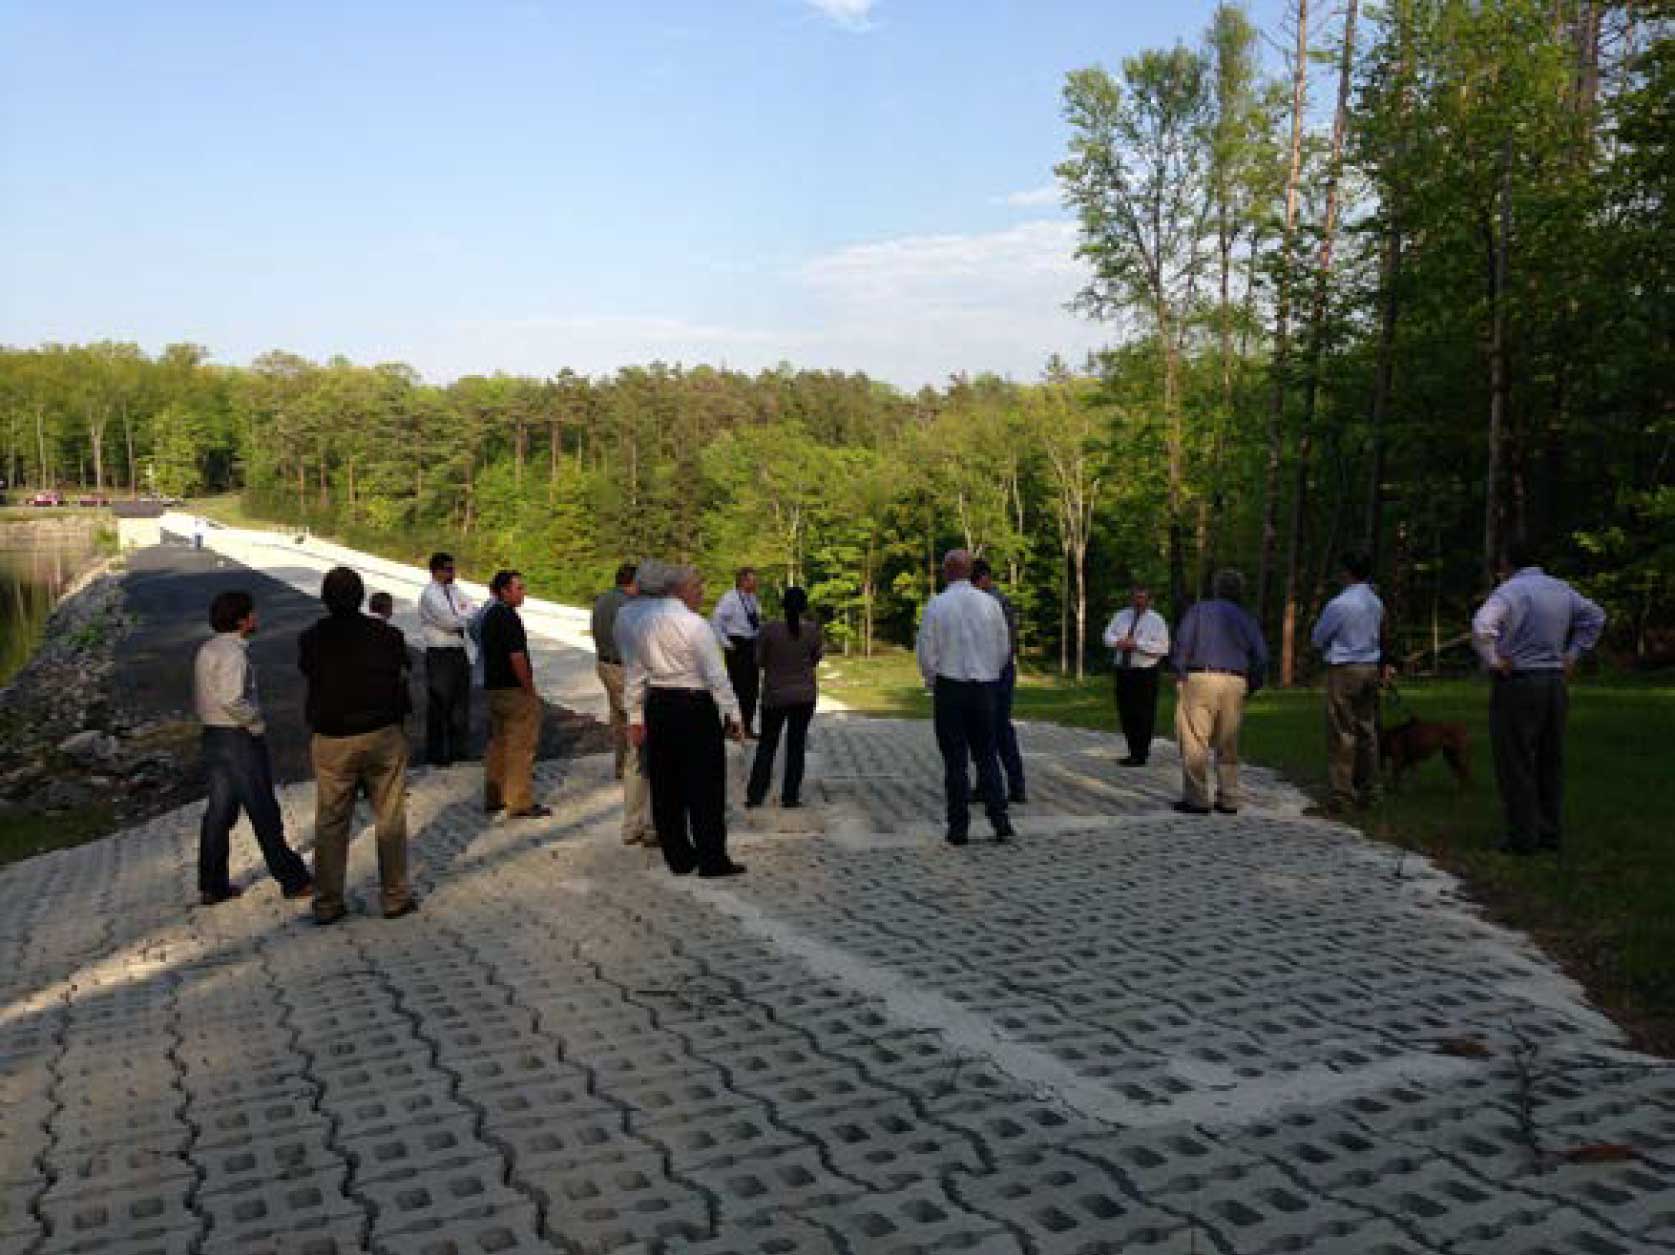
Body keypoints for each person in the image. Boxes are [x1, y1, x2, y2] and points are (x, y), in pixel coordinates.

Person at [1471, 540, 1606, 856]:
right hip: (1554, 682)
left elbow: (1481, 626)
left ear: (1506, 562)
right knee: (1550, 758)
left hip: (1518, 681)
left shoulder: (1510, 592)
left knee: (1516, 759)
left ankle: (1522, 835)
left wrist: (1493, 659)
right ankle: (1550, 831)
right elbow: (1596, 617)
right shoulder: (1561, 589)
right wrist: (1572, 654)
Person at [298, 567, 415, 923]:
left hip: (333, 737)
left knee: (331, 821)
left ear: (325, 599)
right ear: (362, 596)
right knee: (390, 814)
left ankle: (327, 901)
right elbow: (402, 672)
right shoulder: (388, 636)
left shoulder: (311, 639)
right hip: (381, 733)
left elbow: (309, 673)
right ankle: (394, 895)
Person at [192, 591, 313, 906]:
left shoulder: (208, 649)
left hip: (214, 737)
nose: (255, 619)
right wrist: (255, 721)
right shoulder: (234, 655)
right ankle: (293, 878)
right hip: (237, 739)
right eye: (251, 614)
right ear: (241, 620)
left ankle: (212, 883)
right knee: (263, 809)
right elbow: (232, 698)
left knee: (219, 813)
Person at [627, 565, 746, 877]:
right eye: (697, 586)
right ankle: (711, 858)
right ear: (679, 590)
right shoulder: (695, 625)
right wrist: (733, 713)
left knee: (667, 784)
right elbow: (716, 675)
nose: (701, 591)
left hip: (660, 703)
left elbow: (636, 672)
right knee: (705, 785)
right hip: (693, 704)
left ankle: (678, 855)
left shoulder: (645, 623)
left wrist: (636, 714)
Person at [917, 549, 1016, 846]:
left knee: (955, 760)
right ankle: (1000, 821)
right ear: (970, 570)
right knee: (987, 755)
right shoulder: (990, 604)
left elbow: (926, 650)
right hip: (984, 686)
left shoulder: (937, 605)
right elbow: (1003, 648)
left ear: (946, 571)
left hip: (951, 686)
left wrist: (934, 679)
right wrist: (990, 672)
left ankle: (958, 827)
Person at [1169, 569, 1268, 816]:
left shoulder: (1199, 611)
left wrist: (1180, 672)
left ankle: (1197, 798)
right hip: (1235, 680)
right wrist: (1252, 684)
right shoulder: (1247, 618)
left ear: (1216, 588)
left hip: (1200, 677)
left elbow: (1182, 642)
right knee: (1228, 741)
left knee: (1195, 738)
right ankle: (1229, 797)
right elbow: (1262, 656)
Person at [1311, 551, 1389, 813]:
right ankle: (1371, 788)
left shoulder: (1339, 604)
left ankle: (1342, 793)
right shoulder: (1376, 602)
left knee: (1342, 730)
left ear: (1346, 572)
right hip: (1369, 667)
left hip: (1344, 668)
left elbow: (1319, 637)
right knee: (1367, 730)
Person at [480, 569, 549, 819]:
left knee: (499, 743)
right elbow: (517, 656)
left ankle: (495, 794)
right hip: (512, 689)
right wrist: (528, 687)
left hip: (494, 688)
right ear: (504, 591)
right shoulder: (509, 618)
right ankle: (519, 800)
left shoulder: (488, 615)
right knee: (521, 744)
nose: (523, 593)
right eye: (518, 588)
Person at [746, 586, 823, 810]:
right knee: (796, 746)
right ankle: (790, 796)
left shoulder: (768, 630)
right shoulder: (812, 631)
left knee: (767, 744)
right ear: (804, 606)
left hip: (774, 695)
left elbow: (758, 660)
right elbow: (815, 658)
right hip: (804, 695)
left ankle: (756, 794)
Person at [612, 560, 665, 847]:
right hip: (655, 691)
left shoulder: (623, 615)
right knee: (658, 759)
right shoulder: (655, 617)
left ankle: (632, 824)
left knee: (636, 761)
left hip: (635, 688)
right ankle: (655, 824)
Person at [971, 559, 1026, 803]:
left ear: (985, 578)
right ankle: (986, 785)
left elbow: (1008, 644)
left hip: (998, 673)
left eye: (975, 581)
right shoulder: (979, 601)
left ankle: (1015, 787)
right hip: (985, 673)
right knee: (982, 731)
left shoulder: (998, 602)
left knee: (1000, 729)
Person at [1102, 585, 1171, 767]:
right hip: (1124, 670)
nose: (1138, 601)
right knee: (1126, 711)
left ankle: (1141, 753)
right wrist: (1119, 642)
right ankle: (1132, 749)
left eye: (1142, 598)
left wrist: (1137, 644)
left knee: (1144, 713)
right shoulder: (1121, 616)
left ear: (1149, 600)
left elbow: (1163, 648)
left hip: (1145, 671)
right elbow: (1107, 636)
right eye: (1135, 598)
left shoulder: (1157, 620)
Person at [419, 551, 473, 766]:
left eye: (453, 568)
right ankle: (437, 753)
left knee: (460, 703)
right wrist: (463, 617)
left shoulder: (455, 590)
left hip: (458, 650)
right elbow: (448, 622)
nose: (453, 573)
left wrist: (462, 616)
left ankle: (458, 749)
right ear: (437, 571)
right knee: (441, 704)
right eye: (448, 569)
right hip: (440, 653)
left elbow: (471, 609)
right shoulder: (430, 595)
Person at [591, 563, 639, 780]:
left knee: (618, 717)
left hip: (604, 663)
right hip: (622, 666)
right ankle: (633, 767)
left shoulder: (602, 599)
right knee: (633, 717)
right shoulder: (628, 605)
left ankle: (621, 766)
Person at [711, 567, 762, 738]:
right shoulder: (730, 599)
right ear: (743, 581)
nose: (756, 583)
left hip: (751, 644)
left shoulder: (752, 598)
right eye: (752, 580)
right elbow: (716, 622)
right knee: (737, 687)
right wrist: (726, 644)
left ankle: (746, 726)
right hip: (737, 645)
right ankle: (731, 727)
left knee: (752, 688)